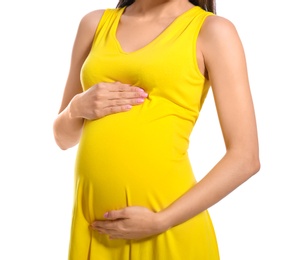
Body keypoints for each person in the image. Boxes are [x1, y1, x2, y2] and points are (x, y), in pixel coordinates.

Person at [53, 0, 260, 259]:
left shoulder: (213, 32)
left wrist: (163, 220)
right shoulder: (94, 25)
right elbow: (62, 138)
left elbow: (245, 158)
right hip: (95, 232)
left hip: (166, 229)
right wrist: (76, 108)